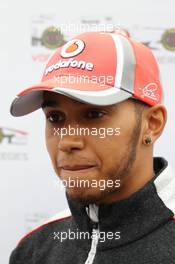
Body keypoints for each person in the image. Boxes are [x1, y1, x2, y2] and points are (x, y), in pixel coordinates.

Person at [9, 30, 175, 264]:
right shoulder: (35, 247)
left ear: (152, 124)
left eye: (94, 114)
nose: (67, 141)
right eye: (55, 118)